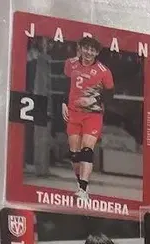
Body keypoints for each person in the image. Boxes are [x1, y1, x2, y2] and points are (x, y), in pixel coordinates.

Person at [63, 36, 114, 202]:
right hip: (73, 114)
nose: (88, 52)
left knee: (87, 150)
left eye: (92, 50)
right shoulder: (70, 63)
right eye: (86, 48)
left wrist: (93, 99)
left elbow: (110, 94)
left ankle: (83, 190)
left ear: (97, 53)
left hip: (93, 115)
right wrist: (63, 103)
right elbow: (65, 84)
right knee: (74, 155)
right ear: (81, 48)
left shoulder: (103, 71)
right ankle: (81, 184)